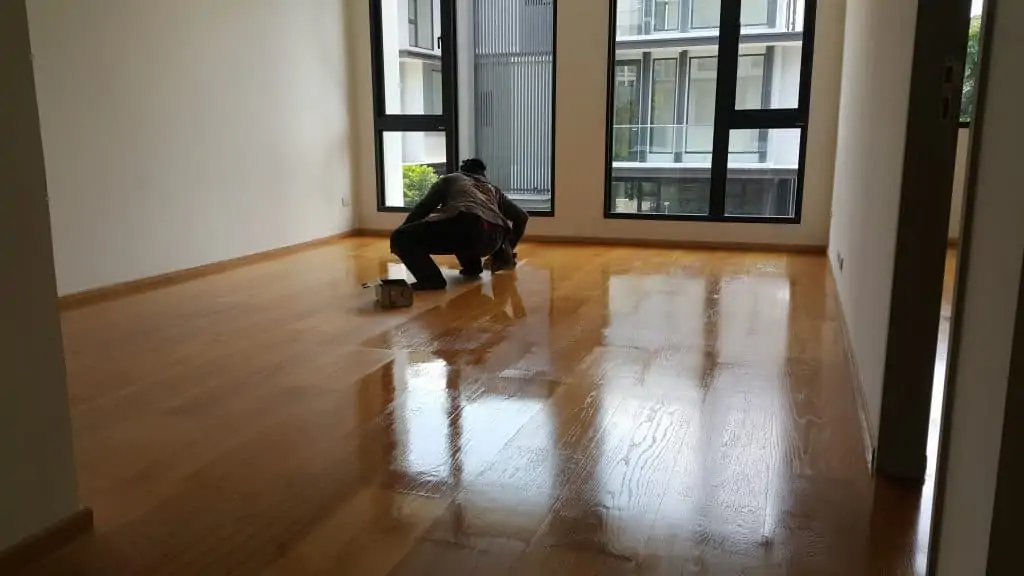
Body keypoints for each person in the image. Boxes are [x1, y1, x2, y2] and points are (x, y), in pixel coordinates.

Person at [390, 158, 529, 291]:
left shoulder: (451, 179)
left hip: (467, 227)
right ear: (482, 175)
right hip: (495, 240)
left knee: (403, 236)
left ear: (461, 170)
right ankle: (472, 268)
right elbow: (522, 217)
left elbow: (423, 208)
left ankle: (430, 279)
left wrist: (402, 235)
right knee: (460, 225)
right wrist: (509, 248)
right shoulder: (492, 189)